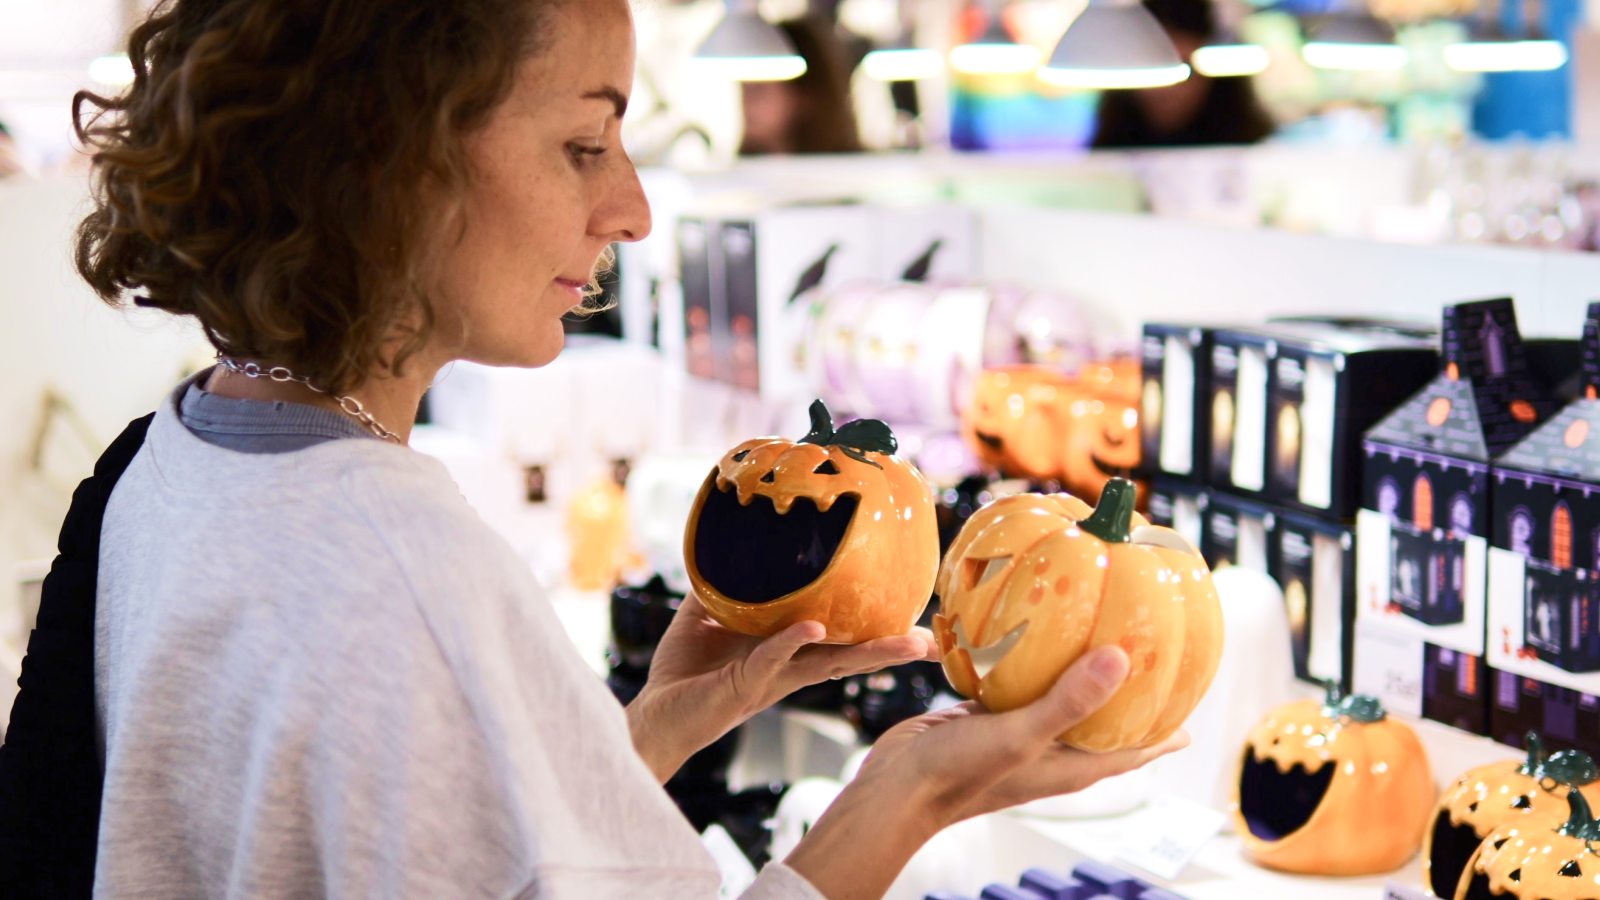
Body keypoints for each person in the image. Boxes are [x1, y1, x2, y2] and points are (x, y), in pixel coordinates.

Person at [69, 1, 1184, 897]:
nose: (633, 209)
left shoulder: (179, 456)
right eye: (584, 144)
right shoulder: (405, 557)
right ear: (390, 162)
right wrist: (910, 794)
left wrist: (639, 737)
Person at [1093, 0, 1275, 149]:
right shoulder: (1106, 161)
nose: (1167, 88)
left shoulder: (1259, 158)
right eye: (1156, 69)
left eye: (1186, 67)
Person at [741, 16, 863, 155]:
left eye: (758, 89)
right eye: (743, 87)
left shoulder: (852, 170)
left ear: (804, 93)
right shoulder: (739, 172)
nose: (746, 102)